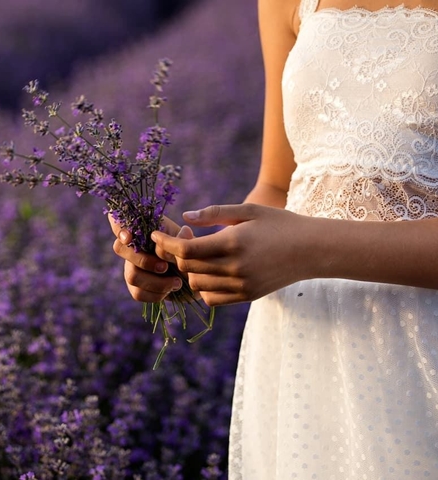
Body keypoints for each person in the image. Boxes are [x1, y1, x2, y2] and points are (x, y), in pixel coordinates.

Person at [110, 0, 438, 477]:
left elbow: (301, 236)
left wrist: (305, 249)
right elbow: (280, 184)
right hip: (305, 347)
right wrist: (198, 257)